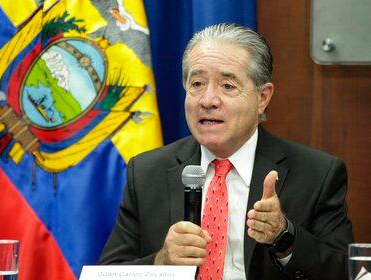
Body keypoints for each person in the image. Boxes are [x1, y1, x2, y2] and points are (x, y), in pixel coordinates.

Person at [98, 23, 354, 280]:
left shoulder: (316, 174)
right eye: (197, 83)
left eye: (227, 86)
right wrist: (161, 261)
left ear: (262, 97)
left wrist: (283, 237)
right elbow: (109, 274)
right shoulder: (147, 171)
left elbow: (345, 273)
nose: (207, 100)